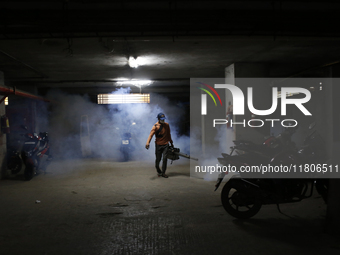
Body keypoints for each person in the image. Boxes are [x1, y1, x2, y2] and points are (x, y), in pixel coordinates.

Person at [145, 112, 174, 178]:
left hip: (166, 145)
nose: (163, 120)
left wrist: (171, 143)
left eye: (164, 119)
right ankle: (158, 169)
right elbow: (151, 135)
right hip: (158, 145)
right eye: (161, 119)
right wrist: (147, 142)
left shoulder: (167, 125)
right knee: (158, 159)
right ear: (158, 119)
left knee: (165, 159)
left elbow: (169, 134)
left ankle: (163, 173)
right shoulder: (155, 126)